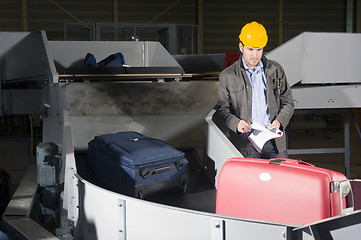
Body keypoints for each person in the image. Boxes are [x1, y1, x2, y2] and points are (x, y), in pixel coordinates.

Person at [214, 21, 294, 159]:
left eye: (259, 50)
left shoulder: (275, 70)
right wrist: (236, 124)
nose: (255, 55)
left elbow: (288, 103)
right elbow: (222, 110)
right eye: (250, 49)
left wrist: (279, 122)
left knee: (282, 179)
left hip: (274, 142)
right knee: (249, 181)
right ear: (241, 47)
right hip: (245, 144)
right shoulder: (228, 76)